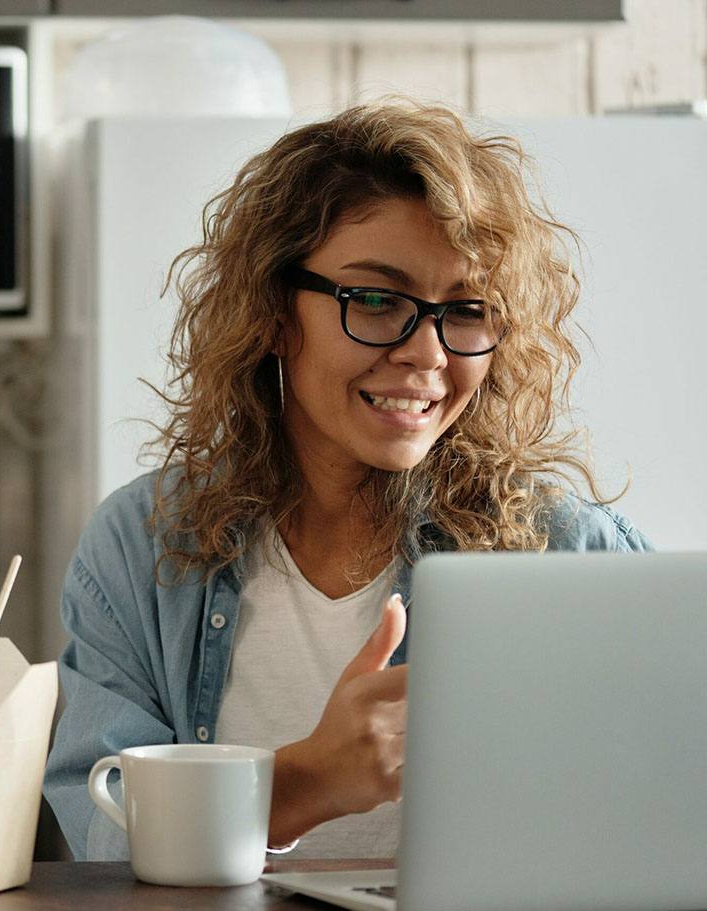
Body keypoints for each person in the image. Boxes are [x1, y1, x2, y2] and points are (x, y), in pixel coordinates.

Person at [43, 101, 653, 861]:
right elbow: (105, 841)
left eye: (466, 310)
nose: (427, 353)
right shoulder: (141, 549)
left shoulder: (569, 552)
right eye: (374, 299)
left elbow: (657, 825)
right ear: (272, 310)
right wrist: (307, 781)